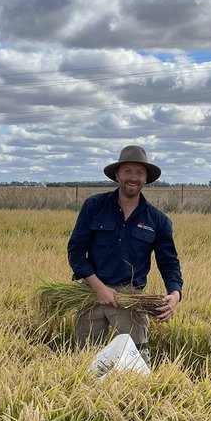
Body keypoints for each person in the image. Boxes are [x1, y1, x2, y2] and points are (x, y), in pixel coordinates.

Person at [67, 144, 184, 357]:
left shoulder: (157, 220)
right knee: (86, 360)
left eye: (140, 172)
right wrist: (100, 288)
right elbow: (75, 253)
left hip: (132, 299)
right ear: (117, 174)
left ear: (146, 178)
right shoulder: (94, 206)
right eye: (127, 171)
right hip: (91, 295)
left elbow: (169, 262)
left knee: (135, 363)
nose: (133, 177)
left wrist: (175, 294)